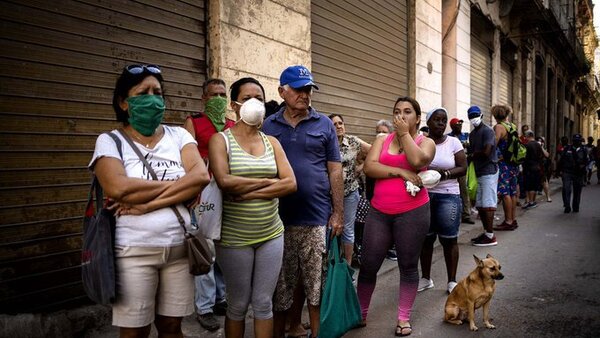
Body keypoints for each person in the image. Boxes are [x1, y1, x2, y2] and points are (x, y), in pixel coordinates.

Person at [89, 64, 210, 337]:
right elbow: (118, 187)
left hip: (180, 251)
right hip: (133, 252)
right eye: (143, 92)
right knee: (135, 332)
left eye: (158, 92)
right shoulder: (110, 141)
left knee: (171, 327)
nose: (153, 98)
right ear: (123, 102)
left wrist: (146, 203)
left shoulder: (179, 135)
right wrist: (181, 186)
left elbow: (201, 176)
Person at [208, 77, 297, 338]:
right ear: (234, 105)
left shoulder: (272, 142)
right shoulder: (220, 141)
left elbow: (291, 183)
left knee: (263, 303)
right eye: (247, 99)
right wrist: (268, 183)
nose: (254, 103)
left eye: (259, 98)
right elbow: (224, 181)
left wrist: (246, 190)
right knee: (237, 304)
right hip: (234, 238)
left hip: (271, 234)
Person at [263, 65, 343, 338]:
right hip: (277, 219)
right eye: (299, 89)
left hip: (316, 217)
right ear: (282, 91)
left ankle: (318, 334)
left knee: (315, 285)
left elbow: (335, 169)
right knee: (282, 287)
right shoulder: (268, 125)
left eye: (308, 89)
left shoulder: (324, 124)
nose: (305, 94)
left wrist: (338, 214)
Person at [358, 96, 436, 337]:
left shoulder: (427, 142)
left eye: (408, 112)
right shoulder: (382, 139)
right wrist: (400, 171)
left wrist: (404, 135)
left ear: (418, 118)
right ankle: (360, 313)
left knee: (408, 265)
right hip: (379, 212)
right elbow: (370, 168)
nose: (401, 116)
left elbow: (417, 160)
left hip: (412, 213)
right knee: (369, 265)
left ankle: (403, 318)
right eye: (397, 111)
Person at [183, 78, 232, 331]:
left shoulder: (234, 125)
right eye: (214, 95)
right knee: (205, 247)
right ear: (204, 98)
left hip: (230, 192)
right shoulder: (194, 122)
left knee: (224, 247)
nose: (219, 99)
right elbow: (185, 157)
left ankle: (220, 298)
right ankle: (204, 307)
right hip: (205, 191)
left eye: (223, 94)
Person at [418, 108, 467, 295]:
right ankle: (426, 278)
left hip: (448, 196)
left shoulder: (453, 142)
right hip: (424, 196)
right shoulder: (421, 142)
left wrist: (443, 174)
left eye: (443, 120)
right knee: (426, 239)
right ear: (428, 122)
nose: (440, 123)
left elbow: (463, 167)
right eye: (436, 119)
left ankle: (452, 281)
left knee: (449, 239)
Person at [329, 114, 371, 267]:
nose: (339, 126)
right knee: (330, 229)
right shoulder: (326, 142)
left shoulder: (353, 141)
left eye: (341, 123)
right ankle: (329, 264)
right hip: (328, 194)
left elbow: (374, 152)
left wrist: (361, 167)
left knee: (348, 229)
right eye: (334, 124)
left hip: (350, 193)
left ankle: (347, 266)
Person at [467, 105, 499, 246]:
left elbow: (487, 152)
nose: (473, 119)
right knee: (480, 205)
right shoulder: (472, 134)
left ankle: (491, 236)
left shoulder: (488, 131)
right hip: (479, 172)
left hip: (489, 171)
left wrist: (472, 155)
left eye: (475, 116)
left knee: (488, 205)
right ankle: (486, 232)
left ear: (481, 116)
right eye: (471, 117)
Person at [491, 105, 519, 231]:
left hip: (503, 165)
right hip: (513, 164)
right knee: (512, 192)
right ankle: (513, 219)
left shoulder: (499, 127)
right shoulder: (512, 126)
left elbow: (493, 144)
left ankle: (507, 221)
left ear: (496, 116)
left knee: (504, 193)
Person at [447, 117, 474, 224]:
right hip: (452, 167)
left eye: (460, 124)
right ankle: (453, 213)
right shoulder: (448, 137)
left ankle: (466, 215)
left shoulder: (466, 135)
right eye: (457, 124)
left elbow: (471, 148)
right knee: (452, 190)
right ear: (452, 126)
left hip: (463, 167)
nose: (460, 126)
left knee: (464, 190)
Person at [557, 134, 588, 213]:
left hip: (578, 173)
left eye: (578, 140)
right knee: (566, 188)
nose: (576, 142)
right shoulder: (567, 148)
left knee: (577, 190)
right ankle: (567, 206)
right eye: (575, 140)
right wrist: (558, 171)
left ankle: (575, 206)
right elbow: (561, 160)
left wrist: (583, 168)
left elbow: (586, 161)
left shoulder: (584, 150)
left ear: (580, 141)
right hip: (567, 172)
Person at [521, 130, 544, 210]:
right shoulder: (538, 145)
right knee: (534, 186)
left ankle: (530, 202)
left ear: (528, 136)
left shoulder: (527, 145)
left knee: (530, 186)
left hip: (529, 168)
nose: (525, 137)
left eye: (525, 136)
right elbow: (542, 155)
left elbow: (524, 156)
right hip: (537, 167)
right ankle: (532, 201)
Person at [536, 136, 552, 202]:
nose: (539, 142)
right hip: (535, 166)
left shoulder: (543, 148)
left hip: (542, 167)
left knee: (544, 182)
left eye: (541, 141)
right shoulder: (534, 147)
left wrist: (541, 147)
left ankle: (548, 197)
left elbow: (547, 155)